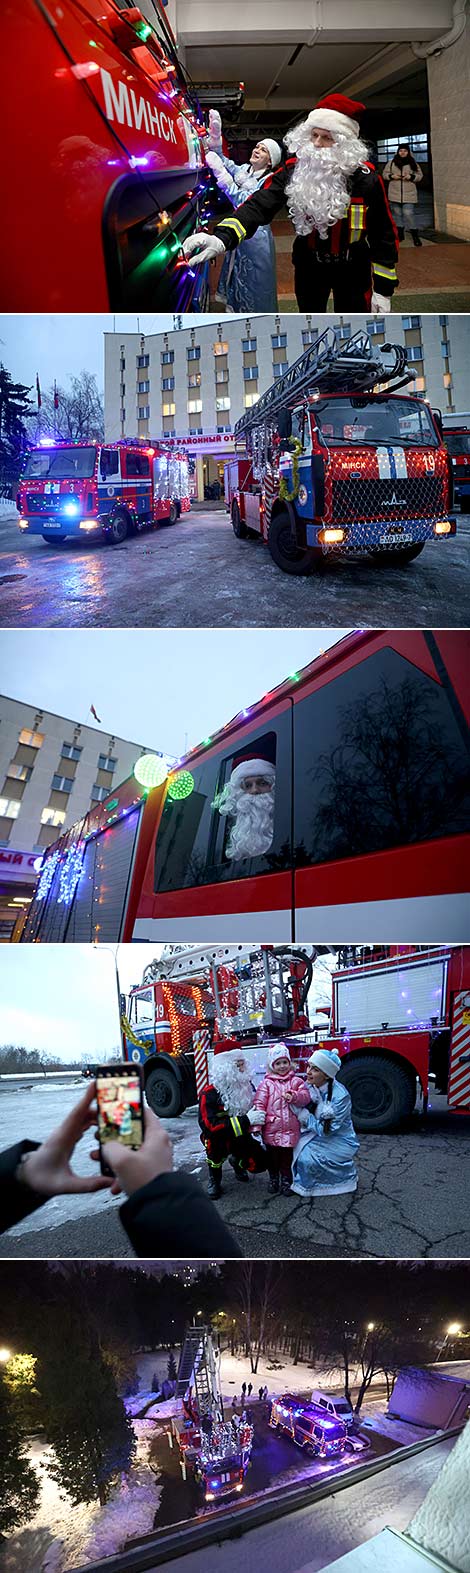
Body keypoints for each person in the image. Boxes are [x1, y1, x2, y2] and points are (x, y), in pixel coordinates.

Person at [183, 94, 398, 313]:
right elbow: (259, 204)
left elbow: (384, 235)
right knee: (311, 316)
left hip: (353, 267)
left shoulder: (367, 179)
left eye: (327, 138)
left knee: (354, 318)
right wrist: (222, 237)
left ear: (344, 144)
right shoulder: (295, 169)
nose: (316, 144)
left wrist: (383, 290)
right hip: (309, 265)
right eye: (314, 135)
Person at [0, 1081, 242, 1257]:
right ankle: (217, 1177)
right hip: (216, 1143)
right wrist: (158, 1187)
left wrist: (22, 1174)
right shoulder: (211, 1093)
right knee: (216, 1158)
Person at [204, 109, 281, 311]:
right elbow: (222, 159)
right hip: (239, 235)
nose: (257, 150)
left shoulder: (269, 181)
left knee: (255, 286)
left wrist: (224, 179)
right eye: (257, 146)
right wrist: (215, 140)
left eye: (263, 150)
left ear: (271, 161)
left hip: (257, 240)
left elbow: (247, 202)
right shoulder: (245, 170)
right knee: (236, 278)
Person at [288, 1048, 359, 1198]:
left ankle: (328, 1184)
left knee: (306, 1158)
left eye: (315, 1069)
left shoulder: (340, 1096)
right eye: (309, 1066)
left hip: (338, 1138)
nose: (308, 1072)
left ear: (326, 1074)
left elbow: (328, 1130)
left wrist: (304, 1116)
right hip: (314, 1132)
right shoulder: (309, 1086)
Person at [199, 1051, 268, 1197]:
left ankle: (237, 1162)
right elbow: (210, 1127)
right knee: (214, 1152)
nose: (243, 1068)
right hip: (218, 1138)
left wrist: (257, 1123)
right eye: (239, 1065)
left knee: (262, 1162)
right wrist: (246, 1121)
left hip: (241, 1135)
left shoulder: (247, 1086)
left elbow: (256, 1108)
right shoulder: (209, 1093)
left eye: (243, 1064)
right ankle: (215, 1179)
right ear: (226, 1068)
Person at [249, 1044, 311, 1195]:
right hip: (272, 1128)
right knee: (272, 1158)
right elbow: (259, 1105)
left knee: (287, 1158)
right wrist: (257, 1127)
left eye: (285, 1062)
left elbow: (306, 1098)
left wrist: (294, 1096)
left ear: (289, 1063)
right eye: (278, 1063)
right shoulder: (266, 1084)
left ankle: (286, 1180)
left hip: (290, 1129)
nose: (282, 1066)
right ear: (272, 1065)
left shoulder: (296, 1081)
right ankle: (273, 1178)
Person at [213, 754, 276, 860]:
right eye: (248, 786)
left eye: (262, 783)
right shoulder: (223, 836)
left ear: (273, 787)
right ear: (238, 793)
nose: (255, 790)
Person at [382, 144, 423, 246]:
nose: (403, 152)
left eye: (405, 151)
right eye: (401, 150)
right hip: (394, 193)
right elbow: (384, 174)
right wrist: (392, 176)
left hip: (409, 194)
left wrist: (411, 176)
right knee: (397, 215)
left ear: (408, 152)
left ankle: (415, 235)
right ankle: (400, 234)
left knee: (408, 213)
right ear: (398, 151)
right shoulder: (391, 163)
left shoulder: (413, 163)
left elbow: (420, 176)